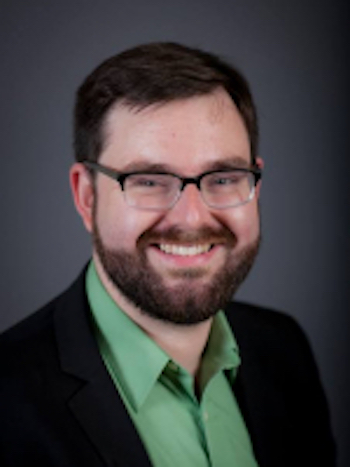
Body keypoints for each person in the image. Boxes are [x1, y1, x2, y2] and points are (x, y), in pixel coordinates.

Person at [0, 42, 336, 467]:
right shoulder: (8, 404)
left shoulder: (284, 349)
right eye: (148, 181)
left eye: (224, 177)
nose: (192, 218)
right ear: (87, 197)